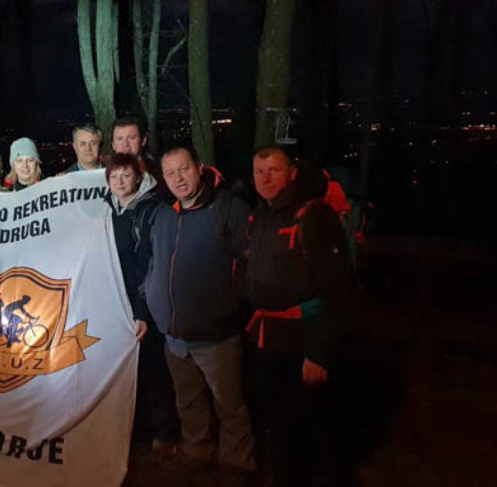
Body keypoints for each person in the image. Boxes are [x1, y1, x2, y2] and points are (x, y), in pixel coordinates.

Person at [142, 146, 256, 476]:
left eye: (184, 170)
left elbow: (250, 262)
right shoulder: (164, 214)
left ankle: (237, 463)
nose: (178, 179)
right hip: (175, 335)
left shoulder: (227, 208)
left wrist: (229, 304)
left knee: (229, 404)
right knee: (188, 400)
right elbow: (155, 260)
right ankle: (197, 450)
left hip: (216, 334)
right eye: (170, 173)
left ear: (199, 168)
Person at [245, 146, 354, 487]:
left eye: (274, 170)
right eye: (259, 172)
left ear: (291, 173)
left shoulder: (313, 217)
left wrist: (319, 354)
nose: (265, 179)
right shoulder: (262, 215)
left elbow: (339, 290)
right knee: (279, 423)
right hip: (268, 339)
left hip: (300, 341)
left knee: (308, 427)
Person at [104, 153, 178, 449]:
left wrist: (142, 311)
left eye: (126, 175)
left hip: (140, 305)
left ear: (138, 178)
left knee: (152, 369)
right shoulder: (105, 211)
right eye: (114, 176)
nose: (120, 181)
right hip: (113, 304)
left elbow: (151, 263)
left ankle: (164, 432)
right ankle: (131, 431)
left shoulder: (150, 212)